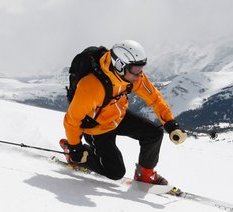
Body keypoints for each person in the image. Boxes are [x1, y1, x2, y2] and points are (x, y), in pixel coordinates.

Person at [60, 40, 188, 185]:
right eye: (135, 69)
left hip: (117, 115)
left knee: (154, 133)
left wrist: (171, 124)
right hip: (96, 127)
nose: (140, 74)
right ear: (119, 65)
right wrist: (75, 147)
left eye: (141, 68)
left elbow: (154, 98)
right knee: (115, 172)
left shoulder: (132, 76)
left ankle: (145, 174)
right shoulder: (91, 86)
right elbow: (72, 119)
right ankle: (74, 154)